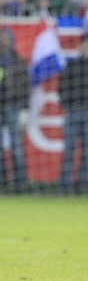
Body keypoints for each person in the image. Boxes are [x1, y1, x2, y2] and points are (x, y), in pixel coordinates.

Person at [58, 34, 88, 194]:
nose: (86, 48)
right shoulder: (72, 65)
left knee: (86, 152)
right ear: (80, 47)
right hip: (72, 112)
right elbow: (62, 87)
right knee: (69, 150)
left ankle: (81, 188)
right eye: (84, 45)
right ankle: (65, 187)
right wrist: (67, 105)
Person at [0, 27, 30, 193]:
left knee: (17, 147)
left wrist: (25, 109)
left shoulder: (18, 61)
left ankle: (21, 184)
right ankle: (2, 183)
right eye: (2, 38)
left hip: (14, 106)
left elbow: (26, 86)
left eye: (6, 38)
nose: (4, 41)